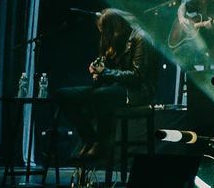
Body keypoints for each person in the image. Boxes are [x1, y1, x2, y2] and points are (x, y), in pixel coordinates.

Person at [55, 9, 158, 162]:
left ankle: (101, 144)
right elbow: (107, 74)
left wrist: (105, 72)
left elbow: (137, 77)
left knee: (100, 96)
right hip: (115, 88)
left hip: (137, 92)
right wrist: (97, 71)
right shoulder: (115, 41)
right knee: (62, 95)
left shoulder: (140, 38)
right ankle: (89, 138)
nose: (103, 35)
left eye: (104, 31)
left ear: (114, 28)